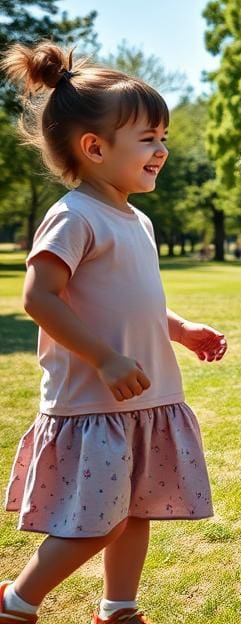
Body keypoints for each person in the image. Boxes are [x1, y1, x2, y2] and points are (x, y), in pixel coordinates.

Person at [0, 43, 227, 624]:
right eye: (148, 138)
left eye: (163, 137)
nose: (162, 150)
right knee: (96, 520)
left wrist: (180, 329)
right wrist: (103, 358)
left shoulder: (137, 218)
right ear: (95, 148)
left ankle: (119, 608)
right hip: (95, 400)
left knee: (137, 509)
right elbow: (39, 297)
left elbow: (134, 300)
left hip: (144, 397)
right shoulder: (75, 215)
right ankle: (16, 602)